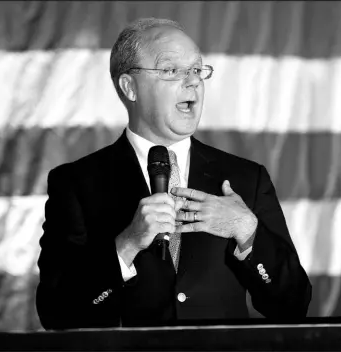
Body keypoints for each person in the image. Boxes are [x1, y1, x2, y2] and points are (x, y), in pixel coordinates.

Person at [36, 17, 312, 330]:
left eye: (197, 70)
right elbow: (56, 313)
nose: (192, 81)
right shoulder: (77, 183)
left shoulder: (246, 179)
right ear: (130, 87)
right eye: (171, 70)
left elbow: (293, 306)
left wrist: (247, 231)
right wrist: (126, 245)